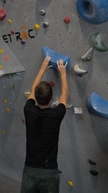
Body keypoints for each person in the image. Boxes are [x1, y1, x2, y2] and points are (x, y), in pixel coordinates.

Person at [21, 56, 69, 193]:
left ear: (35, 97)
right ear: (52, 98)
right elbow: (64, 95)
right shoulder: (56, 115)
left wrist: (42, 69)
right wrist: (63, 73)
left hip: (30, 169)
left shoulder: (29, 110)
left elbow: (32, 90)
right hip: (49, 170)